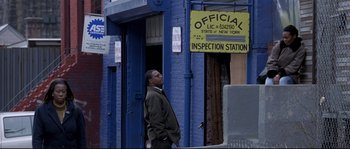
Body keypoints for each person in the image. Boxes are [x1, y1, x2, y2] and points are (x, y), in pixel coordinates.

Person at [32, 78, 86, 148]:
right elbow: (37, 138)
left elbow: (82, 138)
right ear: (52, 93)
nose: (61, 94)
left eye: (63, 92)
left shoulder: (76, 111)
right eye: (58, 91)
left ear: (67, 93)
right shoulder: (41, 111)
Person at [144, 69, 181, 148]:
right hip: (160, 140)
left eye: (160, 74)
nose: (161, 76)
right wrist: (163, 136)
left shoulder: (158, 93)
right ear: (150, 80)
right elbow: (155, 118)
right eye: (157, 76)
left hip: (163, 139)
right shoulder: (153, 95)